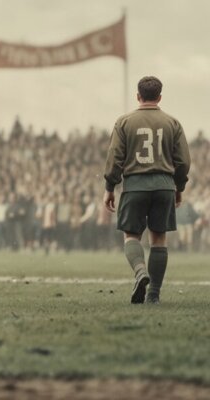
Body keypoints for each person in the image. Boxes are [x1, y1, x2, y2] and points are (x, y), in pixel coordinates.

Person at [103, 76, 191, 304]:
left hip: (135, 185)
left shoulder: (124, 122)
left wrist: (109, 187)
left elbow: (114, 157)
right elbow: (183, 161)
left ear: (138, 96)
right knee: (158, 239)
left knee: (131, 235)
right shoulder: (173, 123)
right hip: (163, 185)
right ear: (160, 97)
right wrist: (179, 187)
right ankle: (154, 295)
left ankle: (140, 271)